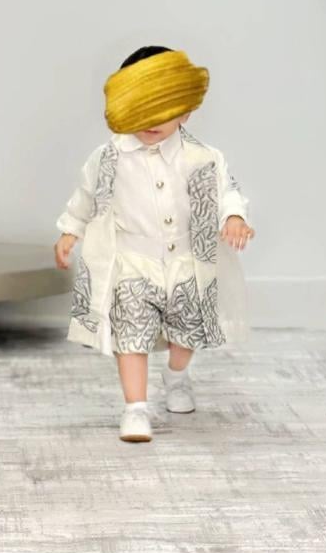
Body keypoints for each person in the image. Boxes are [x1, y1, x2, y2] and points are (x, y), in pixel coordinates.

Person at [54, 46, 255, 443]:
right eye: (141, 106)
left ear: (186, 111)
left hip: (186, 262)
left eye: (164, 107)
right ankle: (135, 409)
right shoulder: (108, 158)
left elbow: (226, 191)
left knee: (186, 334)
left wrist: (233, 216)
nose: (152, 119)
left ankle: (176, 375)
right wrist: (70, 230)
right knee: (130, 335)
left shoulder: (202, 157)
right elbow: (85, 198)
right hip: (132, 262)